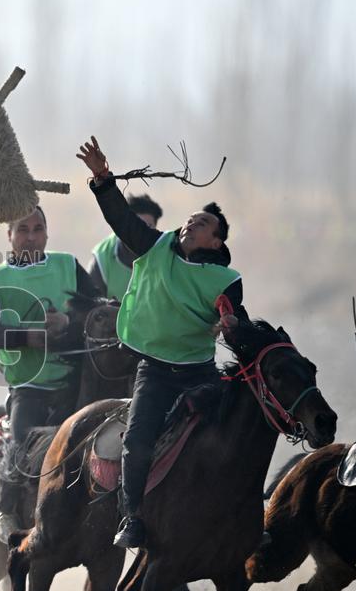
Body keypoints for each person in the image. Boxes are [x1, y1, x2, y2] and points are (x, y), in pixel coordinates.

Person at [76, 136, 249, 549]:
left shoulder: (227, 281)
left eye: (202, 223)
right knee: (136, 442)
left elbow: (234, 320)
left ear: (217, 243)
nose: (191, 224)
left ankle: (242, 517)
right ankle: (132, 518)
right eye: (189, 219)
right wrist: (102, 177)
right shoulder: (154, 247)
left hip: (199, 374)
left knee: (232, 439)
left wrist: (231, 324)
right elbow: (120, 218)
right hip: (153, 373)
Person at [0, 204, 99, 544]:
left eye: (38, 229)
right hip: (30, 386)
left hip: (77, 380)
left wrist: (69, 323)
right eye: (22, 230)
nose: (31, 237)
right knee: (22, 443)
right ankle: (4, 511)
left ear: (47, 233)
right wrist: (27, 336)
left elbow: (100, 308)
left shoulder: (68, 265)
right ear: (9, 236)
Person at [88, 194, 163, 300]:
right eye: (137, 226)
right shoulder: (103, 257)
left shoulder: (164, 254)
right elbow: (92, 302)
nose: (140, 232)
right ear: (125, 224)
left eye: (147, 227)